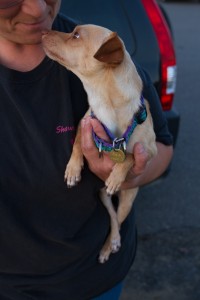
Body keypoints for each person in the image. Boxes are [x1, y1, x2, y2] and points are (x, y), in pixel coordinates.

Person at [0, 1, 173, 299]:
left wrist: (131, 173)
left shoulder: (106, 50)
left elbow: (163, 145)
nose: (38, 10)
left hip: (94, 280)